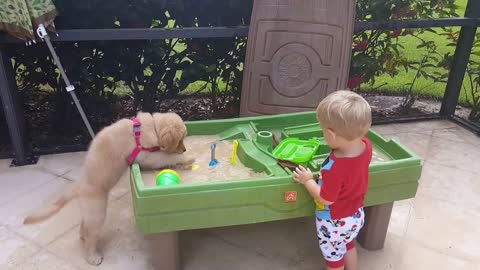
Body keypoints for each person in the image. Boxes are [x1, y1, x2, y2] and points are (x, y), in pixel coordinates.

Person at [293, 90, 373, 270]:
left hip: (334, 222)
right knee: (349, 245)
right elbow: (351, 175)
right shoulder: (366, 146)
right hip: (356, 215)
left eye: (323, 131)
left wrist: (307, 180)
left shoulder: (335, 168)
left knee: (334, 259)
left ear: (331, 134)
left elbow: (325, 198)